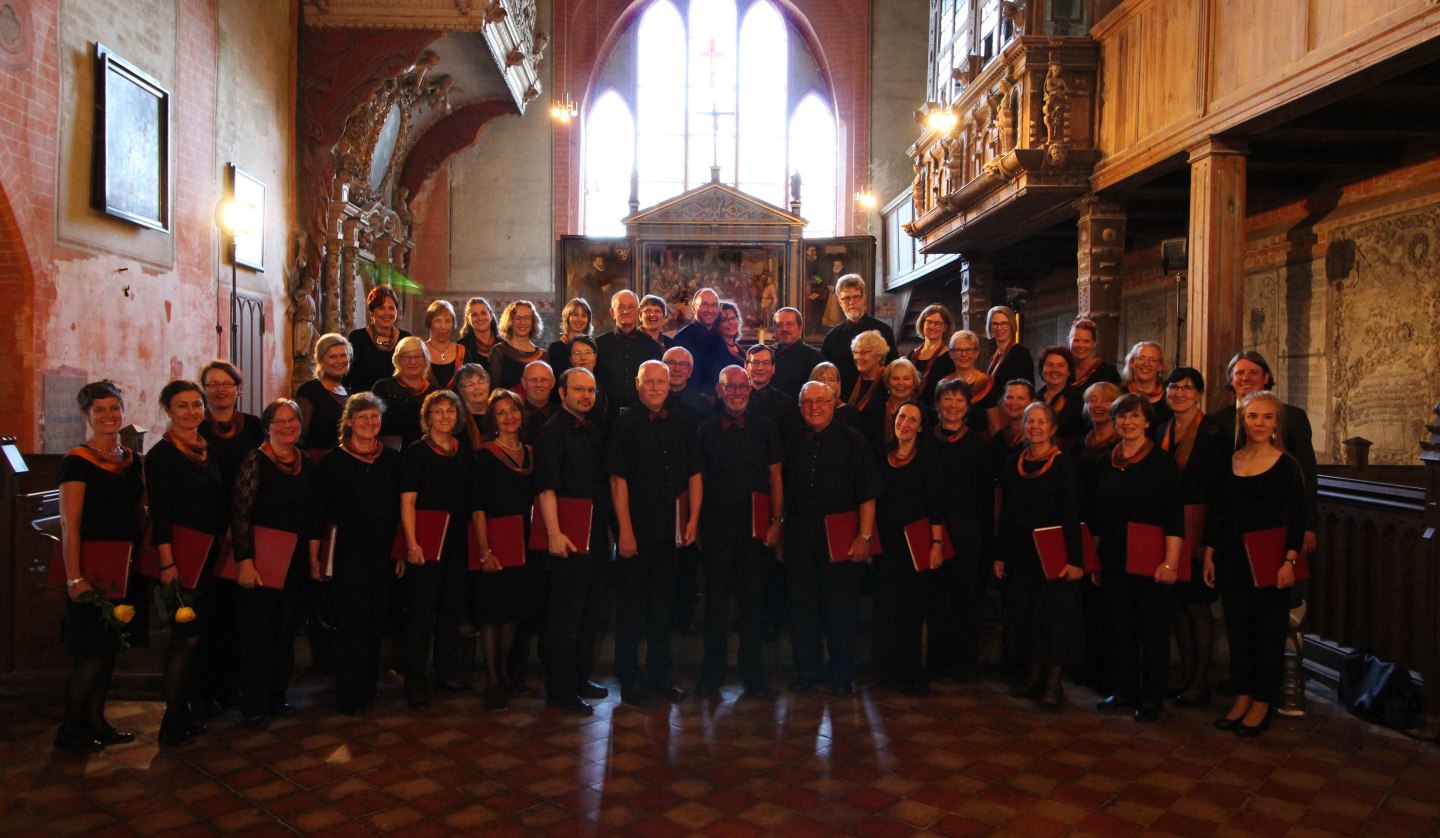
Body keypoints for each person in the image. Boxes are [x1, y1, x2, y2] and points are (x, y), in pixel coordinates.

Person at [1205, 390, 1307, 737]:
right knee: (1239, 629)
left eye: (1266, 417)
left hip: (1270, 560)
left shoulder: (1287, 465)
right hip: (1233, 556)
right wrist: (1210, 550)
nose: (1259, 423)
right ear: (1242, 421)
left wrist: (1289, 560)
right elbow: (1220, 513)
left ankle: (1263, 700)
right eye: (1252, 416)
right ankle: (1243, 694)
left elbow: (1297, 518)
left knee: (1267, 632)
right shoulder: (1231, 460)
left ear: (1277, 423)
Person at [53, 381, 144, 753]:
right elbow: (68, 524)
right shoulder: (77, 461)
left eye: (114, 409)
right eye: (100, 411)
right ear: (86, 416)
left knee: (110, 649)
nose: (109, 416)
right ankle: (70, 729)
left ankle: (96, 721)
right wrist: (75, 577)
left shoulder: (131, 459)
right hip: (92, 566)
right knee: (91, 650)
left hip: (124, 564)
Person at [607, 360, 702, 705]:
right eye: (650, 382)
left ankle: (660, 676)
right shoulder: (624, 424)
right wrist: (625, 532)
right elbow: (618, 480)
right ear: (638, 384)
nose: (657, 387)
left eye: (662, 382)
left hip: (672, 529)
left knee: (663, 607)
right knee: (632, 609)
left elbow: (694, 474)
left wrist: (693, 520)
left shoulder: (680, 421)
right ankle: (629, 678)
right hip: (636, 530)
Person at [783, 381, 882, 697]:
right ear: (800, 407)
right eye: (807, 402)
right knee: (801, 608)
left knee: (841, 609)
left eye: (821, 401)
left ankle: (841, 675)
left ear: (834, 403)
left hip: (841, 533)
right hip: (800, 532)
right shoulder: (792, 441)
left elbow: (868, 492)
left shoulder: (853, 441)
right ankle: (807, 672)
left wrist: (864, 536)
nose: (814, 407)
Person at [230, 399, 323, 729]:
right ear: (267, 426)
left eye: (292, 420)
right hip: (261, 560)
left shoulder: (305, 462)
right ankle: (254, 704)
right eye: (279, 421)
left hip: (295, 561)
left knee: (286, 631)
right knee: (259, 634)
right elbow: (240, 515)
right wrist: (245, 561)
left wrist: (313, 560)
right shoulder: (255, 461)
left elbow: (313, 516)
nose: (287, 425)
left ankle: (276, 696)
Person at [1092, 393, 1185, 723]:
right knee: (1121, 627)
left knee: (1152, 630)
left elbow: (1175, 518)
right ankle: (1125, 689)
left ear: (1148, 421)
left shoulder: (1162, 463)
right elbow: (1099, 514)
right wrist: (1095, 559)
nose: (1127, 422)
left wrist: (1171, 562)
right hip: (1114, 554)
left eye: (1134, 417)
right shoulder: (1106, 459)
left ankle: (1151, 697)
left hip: (1151, 556)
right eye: (1121, 417)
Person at [695, 366, 783, 698]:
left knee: (752, 602)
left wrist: (777, 521)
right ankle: (712, 671)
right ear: (719, 391)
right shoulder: (705, 429)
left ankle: (752, 671)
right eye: (729, 387)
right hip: (716, 526)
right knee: (715, 603)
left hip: (756, 526)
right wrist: (697, 524)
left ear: (750, 389)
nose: (736, 392)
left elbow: (776, 477)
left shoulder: (765, 428)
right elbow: (698, 483)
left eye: (741, 386)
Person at [145, 380, 225, 746]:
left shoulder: (205, 447)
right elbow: (159, 513)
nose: (192, 411)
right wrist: (167, 564)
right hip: (180, 557)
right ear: (168, 410)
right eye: (183, 406)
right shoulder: (163, 454)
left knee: (201, 635)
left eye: (196, 405)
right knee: (185, 637)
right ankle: (172, 718)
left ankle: (188, 710)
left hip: (208, 553)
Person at [993, 402, 1085, 709]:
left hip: (1055, 553)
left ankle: (1053, 683)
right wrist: (1001, 554)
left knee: (1054, 618)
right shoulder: (1011, 463)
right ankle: (1033, 677)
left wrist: (1076, 559)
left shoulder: (1064, 465)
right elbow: (1005, 514)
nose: (1034, 427)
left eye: (1041, 422)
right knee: (1027, 616)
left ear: (1053, 427)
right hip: (1021, 554)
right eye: (1030, 422)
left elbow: (1073, 514)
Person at [315, 392, 402, 716]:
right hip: (347, 552)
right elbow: (319, 513)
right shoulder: (332, 462)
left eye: (374, 417)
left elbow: (400, 510)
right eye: (362, 417)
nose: (369, 422)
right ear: (349, 421)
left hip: (382, 552)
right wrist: (316, 556)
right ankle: (349, 690)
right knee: (352, 621)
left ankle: (369, 685)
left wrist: (400, 552)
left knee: (376, 620)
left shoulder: (392, 460)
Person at [534, 368, 613, 714]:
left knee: (590, 610)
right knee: (565, 615)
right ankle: (560, 688)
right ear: (562, 393)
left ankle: (579, 676)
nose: (585, 396)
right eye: (578, 390)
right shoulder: (551, 431)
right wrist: (553, 532)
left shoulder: (594, 430)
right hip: (566, 531)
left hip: (595, 530)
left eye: (590, 390)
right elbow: (546, 487)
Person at [194, 360, 263, 717]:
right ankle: (207, 687)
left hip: (245, 527)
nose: (220, 390)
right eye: (212, 384)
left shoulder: (252, 426)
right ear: (204, 389)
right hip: (206, 527)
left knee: (242, 611)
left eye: (227, 384)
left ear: (239, 387)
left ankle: (235, 683)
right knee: (210, 612)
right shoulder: (195, 428)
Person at [398, 389, 475, 708]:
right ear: (427, 417)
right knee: (422, 612)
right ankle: (415, 680)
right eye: (438, 411)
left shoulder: (463, 450)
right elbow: (408, 501)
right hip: (426, 538)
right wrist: (412, 543)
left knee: (450, 609)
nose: (445, 416)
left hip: (457, 538)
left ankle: (446, 671)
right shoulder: (416, 452)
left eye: (450, 411)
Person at [1160, 367, 1231, 708]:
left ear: (1199, 394)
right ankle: (1187, 675)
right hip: (1169, 526)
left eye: (1187, 388)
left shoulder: (1214, 433)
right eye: (1174, 387)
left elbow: (1221, 490)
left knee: (1197, 605)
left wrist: (1211, 543)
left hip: (1200, 527)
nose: (1179, 393)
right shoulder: (1162, 430)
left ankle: (1200, 680)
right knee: (1175, 606)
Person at [471, 388, 543, 712]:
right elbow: (478, 508)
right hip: (494, 540)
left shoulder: (530, 452)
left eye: (512, 410)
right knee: (491, 615)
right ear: (493, 420)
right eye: (500, 412)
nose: (509, 417)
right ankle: (493, 680)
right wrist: (485, 550)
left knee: (512, 611)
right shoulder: (484, 454)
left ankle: (506, 672)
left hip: (523, 542)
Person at [1210, 350, 1319, 554]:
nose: (1246, 378)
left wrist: (1308, 526)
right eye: (1239, 372)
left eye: (1254, 372)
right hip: (1230, 528)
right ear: (1231, 379)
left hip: (1277, 524)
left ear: (1266, 377)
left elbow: (1307, 474)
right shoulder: (1216, 421)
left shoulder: (1292, 417)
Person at [873, 401, 944, 698]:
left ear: (920, 426)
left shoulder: (929, 460)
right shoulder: (880, 455)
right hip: (886, 543)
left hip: (916, 543)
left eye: (913, 419)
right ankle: (888, 671)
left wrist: (936, 544)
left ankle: (912, 673)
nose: (905, 423)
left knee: (913, 610)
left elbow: (936, 506)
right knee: (887, 608)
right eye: (902, 417)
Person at [927, 379, 993, 684]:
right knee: (937, 598)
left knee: (964, 598)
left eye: (959, 401)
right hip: (930, 529)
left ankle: (963, 661)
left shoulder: (978, 446)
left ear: (967, 407)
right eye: (947, 399)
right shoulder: (927, 440)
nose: (952, 406)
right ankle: (937, 660)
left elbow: (984, 495)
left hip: (966, 528)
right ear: (938, 404)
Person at [1068, 380, 1122, 696]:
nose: (1098, 405)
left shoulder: (1120, 444)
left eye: (1105, 400)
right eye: (1092, 401)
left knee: (1107, 604)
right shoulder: (1080, 444)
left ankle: (1107, 672)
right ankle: (1084, 665)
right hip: (1082, 526)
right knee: (1084, 601)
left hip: (1110, 528)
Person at [821, 274, 897, 396]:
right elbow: (826, 373)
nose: (852, 302)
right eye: (846, 298)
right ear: (839, 302)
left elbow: (893, 367)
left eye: (856, 297)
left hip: (878, 397)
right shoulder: (832, 337)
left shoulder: (884, 330)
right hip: (844, 399)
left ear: (864, 298)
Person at [595, 289, 662, 422]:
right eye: (621, 307)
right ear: (612, 313)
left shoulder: (652, 346)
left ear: (638, 312)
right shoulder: (598, 345)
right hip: (605, 417)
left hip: (642, 417)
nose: (626, 311)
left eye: (631, 307)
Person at [372, 336, 438, 449]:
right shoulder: (382, 388)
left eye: (417, 356)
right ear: (397, 359)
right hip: (388, 454)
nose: (412, 361)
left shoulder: (435, 393)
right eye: (406, 357)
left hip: (423, 455)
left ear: (425, 359)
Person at [295, 333, 351, 458]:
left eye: (343, 355)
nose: (340, 361)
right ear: (320, 360)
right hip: (318, 462)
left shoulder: (350, 393)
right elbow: (299, 437)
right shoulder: (309, 391)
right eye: (332, 357)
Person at [345, 286, 411, 392]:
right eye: (381, 308)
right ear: (371, 312)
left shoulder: (406, 339)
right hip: (363, 402)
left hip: (398, 403)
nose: (387, 313)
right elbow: (346, 376)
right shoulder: (357, 338)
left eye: (391, 308)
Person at [938, 330, 996, 434]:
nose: (964, 354)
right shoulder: (944, 384)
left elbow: (994, 425)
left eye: (969, 350)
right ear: (951, 354)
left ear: (976, 353)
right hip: (948, 442)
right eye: (958, 350)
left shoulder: (986, 383)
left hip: (979, 444)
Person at [744, 343, 803, 440]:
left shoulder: (787, 404)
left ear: (773, 368)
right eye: (755, 362)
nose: (760, 368)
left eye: (766, 363)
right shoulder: (736, 399)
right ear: (746, 366)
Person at [673, 288, 725, 394]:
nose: (710, 310)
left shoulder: (719, 338)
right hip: (691, 403)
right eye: (705, 305)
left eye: (714, 305)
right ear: (693, 308)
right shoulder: (682, 338)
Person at [849, 329, 891, 454]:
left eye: (863, 353)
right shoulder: (850, 381)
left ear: (879, 355)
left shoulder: (888, 382)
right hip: (855, 448)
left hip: (879, 450)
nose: (858, 357)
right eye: (855, 352)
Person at [490, 300, 546, 390]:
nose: (522, 322)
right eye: (518, 318)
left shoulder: (543, 355)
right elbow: (495, 390)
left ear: (533, 321)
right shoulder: (499, 351)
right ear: (510, 322)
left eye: (527, 318)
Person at [906, 304, 956, 404]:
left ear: (945, 327)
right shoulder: (911, 355)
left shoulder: (951, 358)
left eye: (938, 323)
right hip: (911, 411)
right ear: (922, 324)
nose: (932, 326)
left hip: (936, 413)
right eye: (929, 322)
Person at [1036, 346, 1085, 446]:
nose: (1054, 370)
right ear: (1042, 370)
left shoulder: (1078, 400)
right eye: (1049, 365)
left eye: (1061, 366)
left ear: (1069, 371)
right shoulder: (1034, 398)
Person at [771, 307, 822, 399]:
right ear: (775, 329)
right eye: (779, 325)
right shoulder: (769, 356)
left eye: (790, 324)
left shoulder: (814, 357)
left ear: (800, 327)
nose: (784, 329)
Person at [1120, 341, 1173, 427]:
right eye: (1141, 358)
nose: (1146, 364)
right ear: (1132, 363)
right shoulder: (1119, 394)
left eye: (1153, 360)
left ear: (1160, 366)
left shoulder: (1170, 396)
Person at [881, 358, 931, 448]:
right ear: (888, 382)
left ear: (914, 382)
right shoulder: (875, 410)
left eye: (906, 378)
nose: (901, 383)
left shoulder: (924, 413)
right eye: (895, 378)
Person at [983, 305, 1033, 389]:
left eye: (1004, 323)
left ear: (1012, 325)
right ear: (989, 327)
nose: (999, 328)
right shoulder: (992, 358)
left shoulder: (1020, 353)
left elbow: (1025, 388)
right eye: (994, 324)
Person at [808, 361, 863, 434]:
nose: (826, 384)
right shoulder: (807, 409)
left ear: (837, 384)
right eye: (820, 380)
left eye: (831, 380)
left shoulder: (850, 413)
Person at [1068, 317, 1121, 390]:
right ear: (1069, 341)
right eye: (1076, 340)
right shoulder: (1065, 367)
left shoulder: (1108, 371)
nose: (1080, 345)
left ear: (1095, 343)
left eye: (1086, 341)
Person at [661, 346, 710, 425]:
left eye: (683, 364)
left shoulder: (701, 404)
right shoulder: (653, 398)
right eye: (671, 363)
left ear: (690, 371)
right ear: (662, 368)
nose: (677, 369)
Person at [423, 299, 466, 389]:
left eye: (447, 321)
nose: (443, 327)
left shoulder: (462, 351)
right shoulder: (419, 350)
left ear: (453, 324)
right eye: (438, 321)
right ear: (429, 323)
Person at [991, 379, 1035, 463]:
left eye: (1021, 398)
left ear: (1032, 402)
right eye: (1009, 397)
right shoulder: (998, 438)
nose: (1014, 403)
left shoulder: (1035, 438)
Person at [547, 297, 593, 376]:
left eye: (584, 316)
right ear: (567, 317)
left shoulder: (593, 347)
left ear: (588, 320)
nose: (579, 319)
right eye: (575, 315)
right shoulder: (555, 348)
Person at [454, 363, 495, 448]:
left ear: (488, 384)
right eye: (469, 384)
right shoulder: (456, 420)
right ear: (461, 391)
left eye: (481, 381)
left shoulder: (499, 413)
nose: (477, 387)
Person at [457, 297, 505, 372]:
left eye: (483, 313)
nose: (480, 318)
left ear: (491, 315)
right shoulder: (461, 347)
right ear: (468, 319)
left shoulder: (504, 346)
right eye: (474, 315)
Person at [520, 360, 560, 444]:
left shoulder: (562, 415)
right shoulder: (514, 416)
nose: (538, 384)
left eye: (544, 379)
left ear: (552, 383)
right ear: (524, 383)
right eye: (533, 380)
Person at [715, 300, 746, 368]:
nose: (731, 323)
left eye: (732, 318)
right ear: (716, 324)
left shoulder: (736, 346)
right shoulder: (717, 351)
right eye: (724, 320)